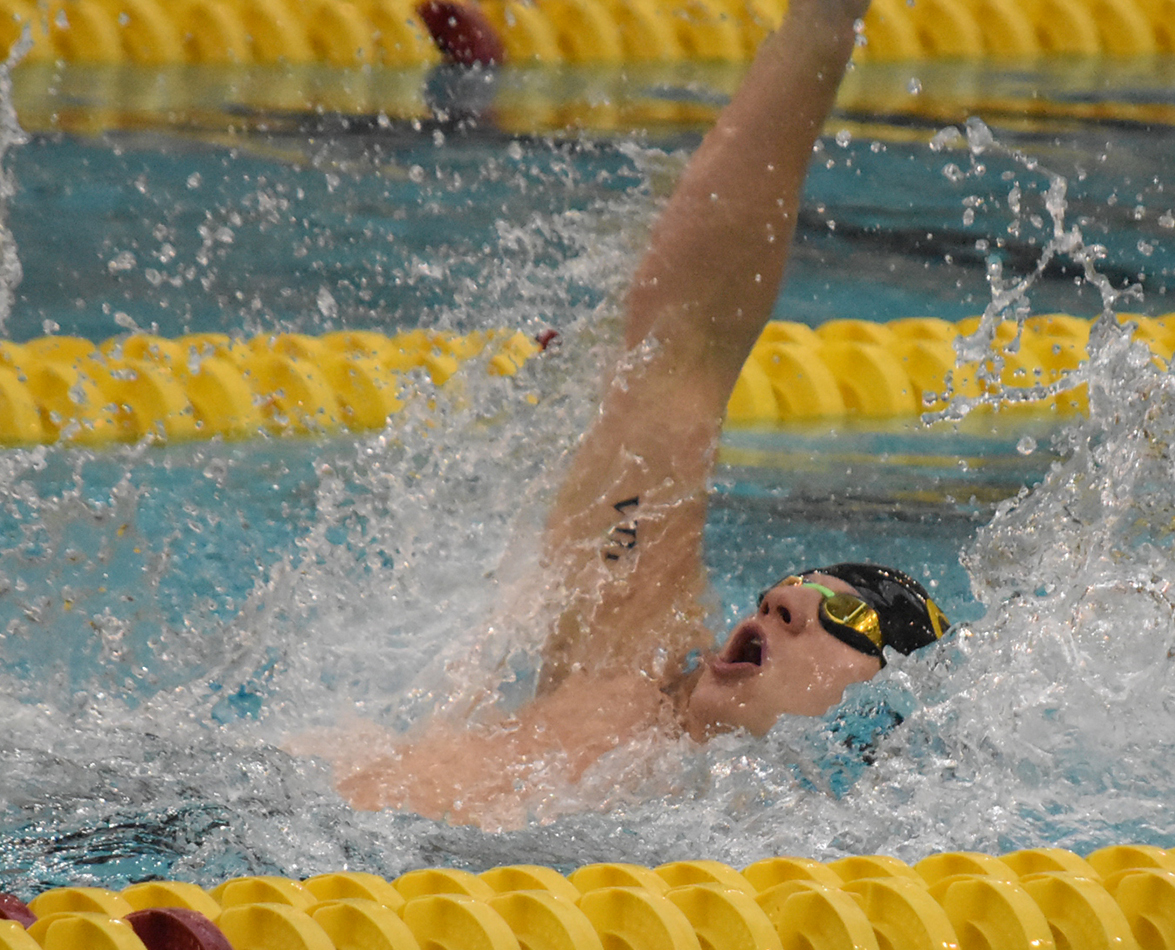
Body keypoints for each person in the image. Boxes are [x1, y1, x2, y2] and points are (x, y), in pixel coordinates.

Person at [324, 0, 950, 826]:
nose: (780, 604)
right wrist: (822, 23)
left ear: (876, 712)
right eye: (795, 588)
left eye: (851, 619)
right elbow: (687, 337)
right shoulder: (624, 659)